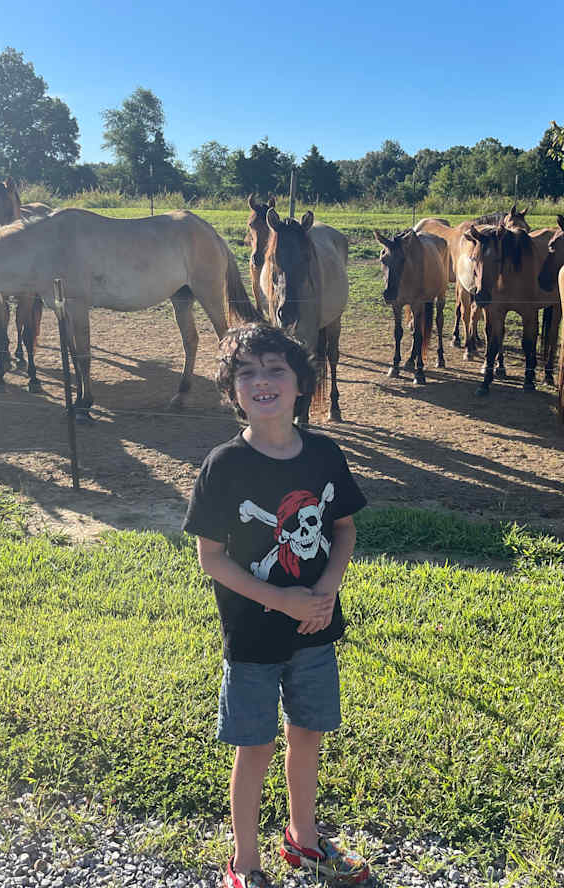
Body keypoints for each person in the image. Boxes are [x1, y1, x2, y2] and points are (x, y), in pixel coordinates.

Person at [183, 323, 371, 888]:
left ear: (302, 386)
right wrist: (282, 600)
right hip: (253, 639)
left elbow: (343, 532)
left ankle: (303, 840)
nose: (262, 382)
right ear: (232, 391)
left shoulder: (325, 454)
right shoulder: (224, 465)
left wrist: (325, 592)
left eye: (275, 370)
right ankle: (244, 863)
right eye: (247, 373)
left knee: (307, 735)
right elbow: (211, 558)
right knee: (255, 745)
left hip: (315, 629)